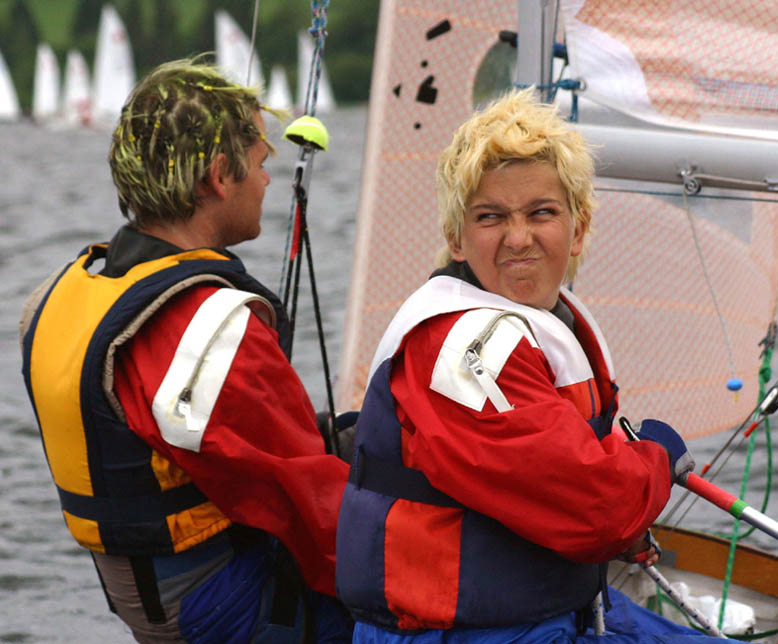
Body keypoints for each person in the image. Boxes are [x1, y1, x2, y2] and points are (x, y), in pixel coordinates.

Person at [334, 89, 734, 643]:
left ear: (579, 228)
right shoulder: (466, 349)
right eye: (491, 217)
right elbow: (597, 508)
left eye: (541, 213)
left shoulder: (543, 323)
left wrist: (628, 512)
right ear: (455, 238)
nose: (518, 239)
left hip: (535, 613)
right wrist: (657, 456)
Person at [20, 58, 352, 643]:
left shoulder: (60, 296)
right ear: (218, 178)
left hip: (143, 595)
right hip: (218, 604)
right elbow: (315, 514)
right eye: (260, 163)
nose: (267, 180)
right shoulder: (204, 329)